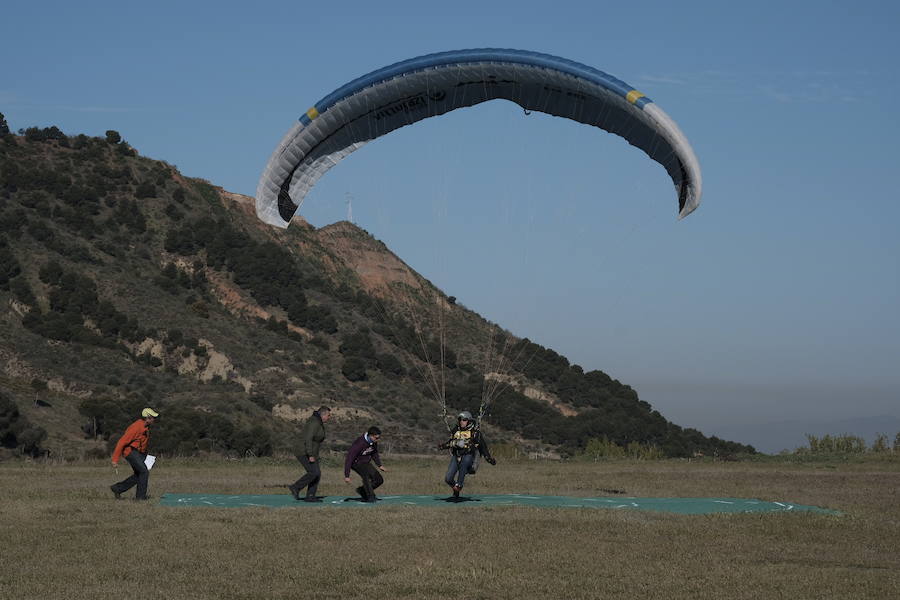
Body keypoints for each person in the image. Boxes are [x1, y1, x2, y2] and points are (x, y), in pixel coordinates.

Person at [442, 411, 496, 499]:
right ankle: (455, 489)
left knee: (465, 462)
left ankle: (459, 484)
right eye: (460, 419)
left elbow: (483, 447)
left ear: (469, 421)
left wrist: (488, 458)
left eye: (464, 420)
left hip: (469, 455)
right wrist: (443, 446)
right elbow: (450, 442)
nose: (461, 421)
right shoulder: (456, 430)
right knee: (448, 479)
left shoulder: (475, 432)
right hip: (457, 456)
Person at [110, 407, 159, 501]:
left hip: (139, 453)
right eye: (153, 417)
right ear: (147, 418)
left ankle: (117, 488)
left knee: (139, 474)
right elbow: (121, 442)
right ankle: (140, 498)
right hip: (130, 452)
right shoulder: (136, 427)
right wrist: (115, 459)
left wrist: (145, 455)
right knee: (144, 472)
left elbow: (142, 442)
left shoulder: (146, 426)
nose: (154, 419)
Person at [289, 406, 331, 502]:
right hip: (303, 451)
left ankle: (310, 496)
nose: (329, 417)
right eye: (328, 415)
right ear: (323, 414)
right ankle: (295, 487)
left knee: (317, 473)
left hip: (311, 452)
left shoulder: (319, 422)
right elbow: (308, 439)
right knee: (314, 472)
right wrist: (310, 454)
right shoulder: (314, 422)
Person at [344, 426, 387, 502]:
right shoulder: (359, 443)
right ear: (370, 436)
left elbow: (374, 453)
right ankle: (370, 496)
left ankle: (362, 490)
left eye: (379, 438)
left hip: (365, 462)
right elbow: (349, 458)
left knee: (379, 479)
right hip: (356, 463)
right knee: (366, 475)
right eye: (376, 438)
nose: (377, 440)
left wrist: (379, 465)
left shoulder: (373, 442)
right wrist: (347, 475)